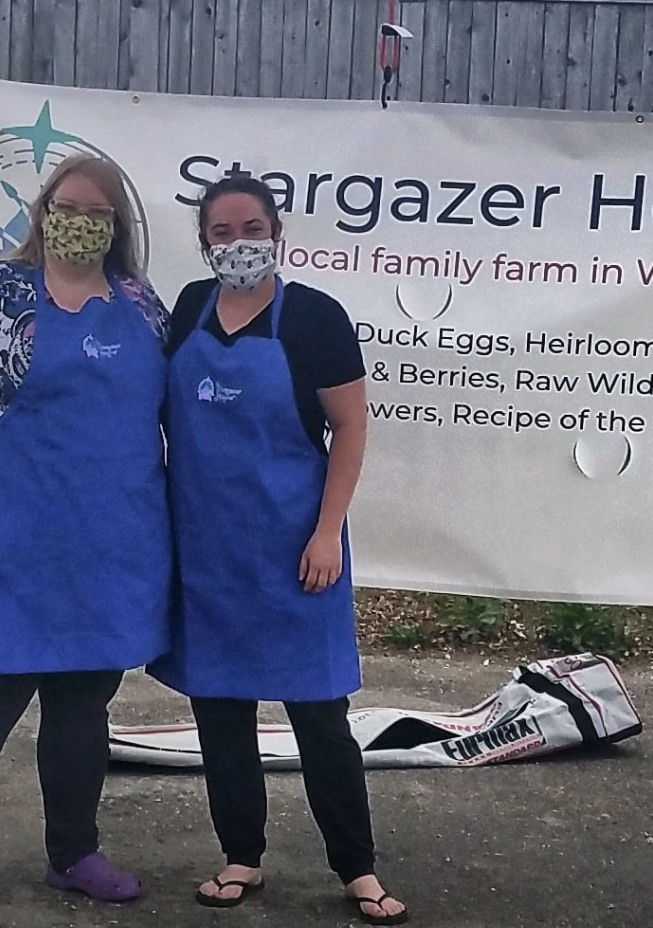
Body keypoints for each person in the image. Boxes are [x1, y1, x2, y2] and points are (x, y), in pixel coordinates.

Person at [0, 154, 172, 920]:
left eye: (97, 212)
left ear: (116, 228)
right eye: (66, 204)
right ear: (43, 209)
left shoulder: (145, 308)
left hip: (108, 541)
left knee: (83, 706)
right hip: (0, 534)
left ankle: (73, 853)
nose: (79, 221)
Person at [148, 175, 408, 926]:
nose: (238, 244)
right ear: (204, 243)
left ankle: (357, 870)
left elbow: (351, 430)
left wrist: (327, 531)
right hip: (207, 552)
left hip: (299, 550)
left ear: (278, 232)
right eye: (222, 233)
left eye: (251, 227)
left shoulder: (316, 319)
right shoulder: (191, 309)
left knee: (320, 719)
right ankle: (241, 856)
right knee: (220, 714)